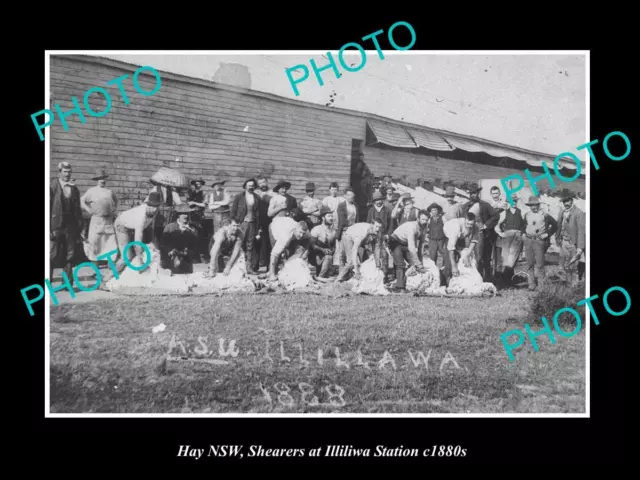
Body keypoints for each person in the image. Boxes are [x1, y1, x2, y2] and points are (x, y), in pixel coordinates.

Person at [50, 161, 85, 282]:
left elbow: (78, 209)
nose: (67, 174)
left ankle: (67, 283)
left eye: (69, 172)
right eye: (65, 172)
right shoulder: (52, 186)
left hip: (71, 226)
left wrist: (80, 226)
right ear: (59, 172)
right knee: (52, 254)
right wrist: (49, 228)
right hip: (56, 225)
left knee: (70, 254)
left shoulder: (74, 188)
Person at [114, 192, 163, 268]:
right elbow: (137, 242)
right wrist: (140, 263)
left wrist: (153, 243)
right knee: (127, 257)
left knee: (145, 250)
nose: (155, 209)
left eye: (157, 206)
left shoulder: (154, 212)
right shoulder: (140, 217)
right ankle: (112, 275)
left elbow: (151, 228)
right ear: (148, 205)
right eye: (153, 206)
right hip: (122, 225)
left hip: (132, 226)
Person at [461, 183, 499, 279]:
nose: (474, 195)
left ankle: (483, 279)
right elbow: (462, 220)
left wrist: (486, 225)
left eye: (475, 193)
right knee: (468, 256)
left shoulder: (485, 205)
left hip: (481, 236)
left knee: (480, 258)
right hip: (467, 236)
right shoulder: (465, 206)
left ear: (478, 193)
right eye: (472, 193)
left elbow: (496, 216)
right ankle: (469, 278)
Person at [80, 168, 118, 262]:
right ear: (97, 180)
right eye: (100, 178)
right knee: (95, 245)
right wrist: (88, 210)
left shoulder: (109, 191)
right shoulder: (92, 191)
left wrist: (114, 210)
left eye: (104, 178)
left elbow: (116, 201)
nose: (102, 180)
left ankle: (110, 270)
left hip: (108, 221)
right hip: (97, 220)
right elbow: (82, 201)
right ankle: (96, 271)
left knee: (110, 244)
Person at [386, 212, 429, 292]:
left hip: (406, 243)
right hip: (395, 241)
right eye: (423, 219)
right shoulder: (412, 227)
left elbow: (421, 246)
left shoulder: (425, 228)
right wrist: (418, 264)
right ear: (418, 219)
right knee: (400, 264)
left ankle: (410, 284)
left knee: (413, 264)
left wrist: (420, 262)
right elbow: (412, 247)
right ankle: (400, 287)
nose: (425, 222)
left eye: (426, 220)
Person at [522, 195, 558, 290]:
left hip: (539, 242)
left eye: (535, 205)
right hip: (529, 240)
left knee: (540, 264)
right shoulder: (526, 215)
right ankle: (531, 284)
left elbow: (555, 225)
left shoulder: (545, 215)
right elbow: (523, 226)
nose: (533, 207)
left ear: (538, 205)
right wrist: (523, 234)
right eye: (531, 205)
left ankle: (541, 286)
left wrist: (547, 234)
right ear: (529, 206)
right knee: (529, 263)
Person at [231, 178, 262, 275]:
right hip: (242, 223)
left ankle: (249, 268)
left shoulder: (257, 197)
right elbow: (233, 211)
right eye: (249, 185)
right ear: (245, 186)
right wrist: (235, 222)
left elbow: (258, 213)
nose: (251, 187)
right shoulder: (239, 197)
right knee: (239, 244)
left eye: (252, 185)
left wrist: (259, 227)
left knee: (250, 246)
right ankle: (237, 267)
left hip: (252, 224)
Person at [494, 194, 526, 288]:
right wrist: (501, 233)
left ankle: (507, 281)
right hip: (507, 237)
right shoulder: (504, 213)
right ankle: (506, 282)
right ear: (508, 203)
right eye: (512, 201)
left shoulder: (521, 212)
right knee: (506, 259)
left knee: (513, 260)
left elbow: (524, 225)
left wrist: (522, 233)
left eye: (515, 201)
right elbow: (496, 225)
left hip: (517, 237)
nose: (514, 203)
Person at [267, 217, 310, 281]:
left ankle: (285, 272)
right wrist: (272, 275)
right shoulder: (285, 237)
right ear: (295, 229)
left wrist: (306, 252)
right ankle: (271, 273)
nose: (301, 235)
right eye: (300, 232)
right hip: (275, 226)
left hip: (287, 224)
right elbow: (273, 254)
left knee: (293, 252)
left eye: (303, 233)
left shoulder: (306, 233)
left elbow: (309, 240)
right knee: (277, 252)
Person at [555, 192, 584, 286]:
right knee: (566, 264)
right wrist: (558, 238)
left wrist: (580, 247)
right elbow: (558, 226)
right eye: (564, 201)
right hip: (564, 242)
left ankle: (575, 286)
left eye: (567, 201)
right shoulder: (562, 212)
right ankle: (568, 284)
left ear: (572, 201)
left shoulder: (578, 213)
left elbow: (581, 231)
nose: (565, 203)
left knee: (574, 265)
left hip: (573, 243)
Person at [160, 204, 198, 274]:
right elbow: (163, 245)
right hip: (170, 264)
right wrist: (170, 251)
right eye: (183, 214)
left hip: (186, 265)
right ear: (178, 215)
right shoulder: (169, 228)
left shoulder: (193, 230)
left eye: (187, 214)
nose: (186, 216)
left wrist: (188, 252)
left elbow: (195, 248)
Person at [443, 212, 480, 282]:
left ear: (474, 222)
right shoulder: (456, 227)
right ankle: (447, 280)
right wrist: (454, 267)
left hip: (461, 236)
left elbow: (473, 242)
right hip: (448, 234)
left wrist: (467, 256)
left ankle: (461, 279)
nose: (469, 226)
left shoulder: (476, 227)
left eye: (471, 224)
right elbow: (451, 249)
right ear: (465, 220)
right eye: (467, 224)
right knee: (450, 261)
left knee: (463, 257)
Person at [366, 191, 393, 281]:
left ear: (382, 200)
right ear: (374, 201)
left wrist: (388, 235)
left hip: (383, 236)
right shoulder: (371, 211)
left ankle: (384, 275)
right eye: (377, 200)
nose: (379, 202)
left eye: (380, 200)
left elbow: (390, 225)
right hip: (374, 237)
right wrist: (370, 235)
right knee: (373, 255)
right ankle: (374, 274)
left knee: (384, 255)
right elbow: (368, 224)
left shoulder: (387, 210)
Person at [309, 206, 337, 278]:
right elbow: (312, 245)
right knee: (328, 258)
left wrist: (332, 250)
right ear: (323, 218)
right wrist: (322, 250)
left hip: (328, 256)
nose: (331, 218)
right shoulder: (316, 229)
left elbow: (334, 245)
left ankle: (325, 275)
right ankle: (321, 277)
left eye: (332, 216)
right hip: (316, 256)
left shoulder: (333, 231)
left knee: (330, 258)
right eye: (329, 216)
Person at [426, 202, 449, 280]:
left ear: (438, 211)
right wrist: (426, 236)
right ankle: (433, 274)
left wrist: (446, 238)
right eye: (432, 210)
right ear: (430, 212)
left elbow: (447, 228)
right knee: (432, 257)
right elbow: (426, 229)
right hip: (432, 240)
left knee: (445, 255)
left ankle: (445, 271)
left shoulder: (443, 218)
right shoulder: (429, 219)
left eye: (435, 210)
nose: (434, 212)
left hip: (441, 240)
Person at [187, 178, 208, 262]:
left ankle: (199, 257)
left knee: (199, 235)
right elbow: (187, 202)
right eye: (196, 184)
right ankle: (191, 256)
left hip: (199, 215)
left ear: (201, 185)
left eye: (199, 184)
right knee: (190, 234)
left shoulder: (204, 193)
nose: (197, 185)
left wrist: (194, 203)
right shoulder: (190, 193)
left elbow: (204, 205)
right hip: (191, 215)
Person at [208, 179, 232, 248]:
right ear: (214, 186)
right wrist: (220, 204)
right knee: (217, 232)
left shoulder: (225, 191)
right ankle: (218, 250)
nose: (217, 186)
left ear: (221, 185)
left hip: (225, 214)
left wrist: (215, 203)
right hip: (216, 214)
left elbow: (226, 202)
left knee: (226, 231)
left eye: (218, 184)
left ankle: (225, 249)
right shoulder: (212, 194)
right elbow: (210, 206)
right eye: (215, 185)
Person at [255, 176, 273, 268]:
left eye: (264, 182)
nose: (262, 184)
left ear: (266, 182)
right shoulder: (256, 193)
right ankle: (257, 263)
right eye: (260, 183)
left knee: (268, 241)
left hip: (269, 219)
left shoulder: (272, 192)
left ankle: (267, 262)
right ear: (258, 184)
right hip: (258, 219)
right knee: (257, 240)